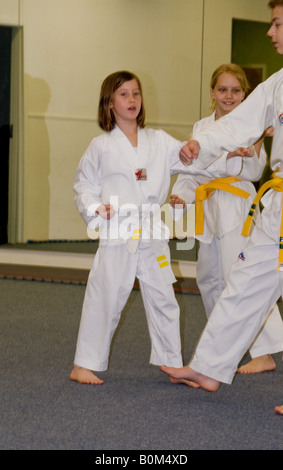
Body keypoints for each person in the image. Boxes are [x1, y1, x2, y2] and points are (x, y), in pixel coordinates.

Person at [160, 0, 283, 416]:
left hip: (251, 198)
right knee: (244, 281)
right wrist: (203, 145)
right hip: (278, 203)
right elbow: (234, 124)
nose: (270, 33)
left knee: (239, 277)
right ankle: (210, 366)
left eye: (278, 24)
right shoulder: (275, 85)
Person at [70, 70, 206, 385]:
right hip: (118, 228)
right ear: (109, 103)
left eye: (136, 93)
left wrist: (208, 151)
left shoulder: (158, 140)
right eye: (123, 94)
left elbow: (190, 158)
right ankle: (83, 364)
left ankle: (172, 363)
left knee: (164, 297)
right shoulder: (101, 146)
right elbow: (83, 185)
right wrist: (94, 209)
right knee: (107, 295)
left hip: (151, 230)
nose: (132, 100)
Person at [170, 64, 282, 375]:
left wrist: (247, 151)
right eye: (222, 89)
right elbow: (192, 169)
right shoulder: (203, 125)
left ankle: (263, 350)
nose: (228, 95)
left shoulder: (254, 126)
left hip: (237, 205)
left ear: (245, 94)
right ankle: (221, 349)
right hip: (210, 208)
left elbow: (254, 172)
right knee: (209, 279)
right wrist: (183, 194)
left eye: (235, 90)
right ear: (212, 93)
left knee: (245, 278)